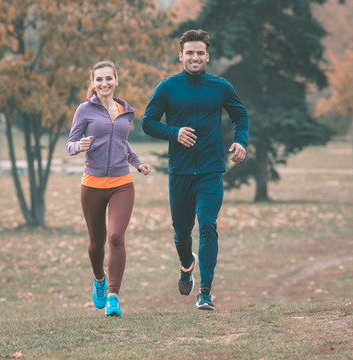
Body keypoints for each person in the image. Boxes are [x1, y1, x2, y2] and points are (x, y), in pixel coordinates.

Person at [142, 29, 249, 310]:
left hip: (211, 170)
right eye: (190, 52)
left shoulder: (221, 86)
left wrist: (241, 141)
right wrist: (174, 132)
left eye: (200, 53)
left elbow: (241, 115)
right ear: (181, 56)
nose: (195, 57)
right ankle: (186, 264)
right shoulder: (167, 87)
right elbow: (148, 123)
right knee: (181, 232)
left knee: (208, 225)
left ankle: (205, 291)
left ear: (207, 56)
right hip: (180, 172)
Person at [67, 60, 151, 317]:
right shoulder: (84, 110)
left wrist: (137, 163)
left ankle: (113, 296)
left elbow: (123, 144)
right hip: (91, 184)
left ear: (116, 81)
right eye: (99, 79)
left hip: (121, 184)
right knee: (97, 243)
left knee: (116, 237)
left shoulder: (125, 112)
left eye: (108, 79)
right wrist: (79, 146)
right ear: (93, 84)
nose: (104, 83)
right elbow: (70, 144)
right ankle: (99, 279)